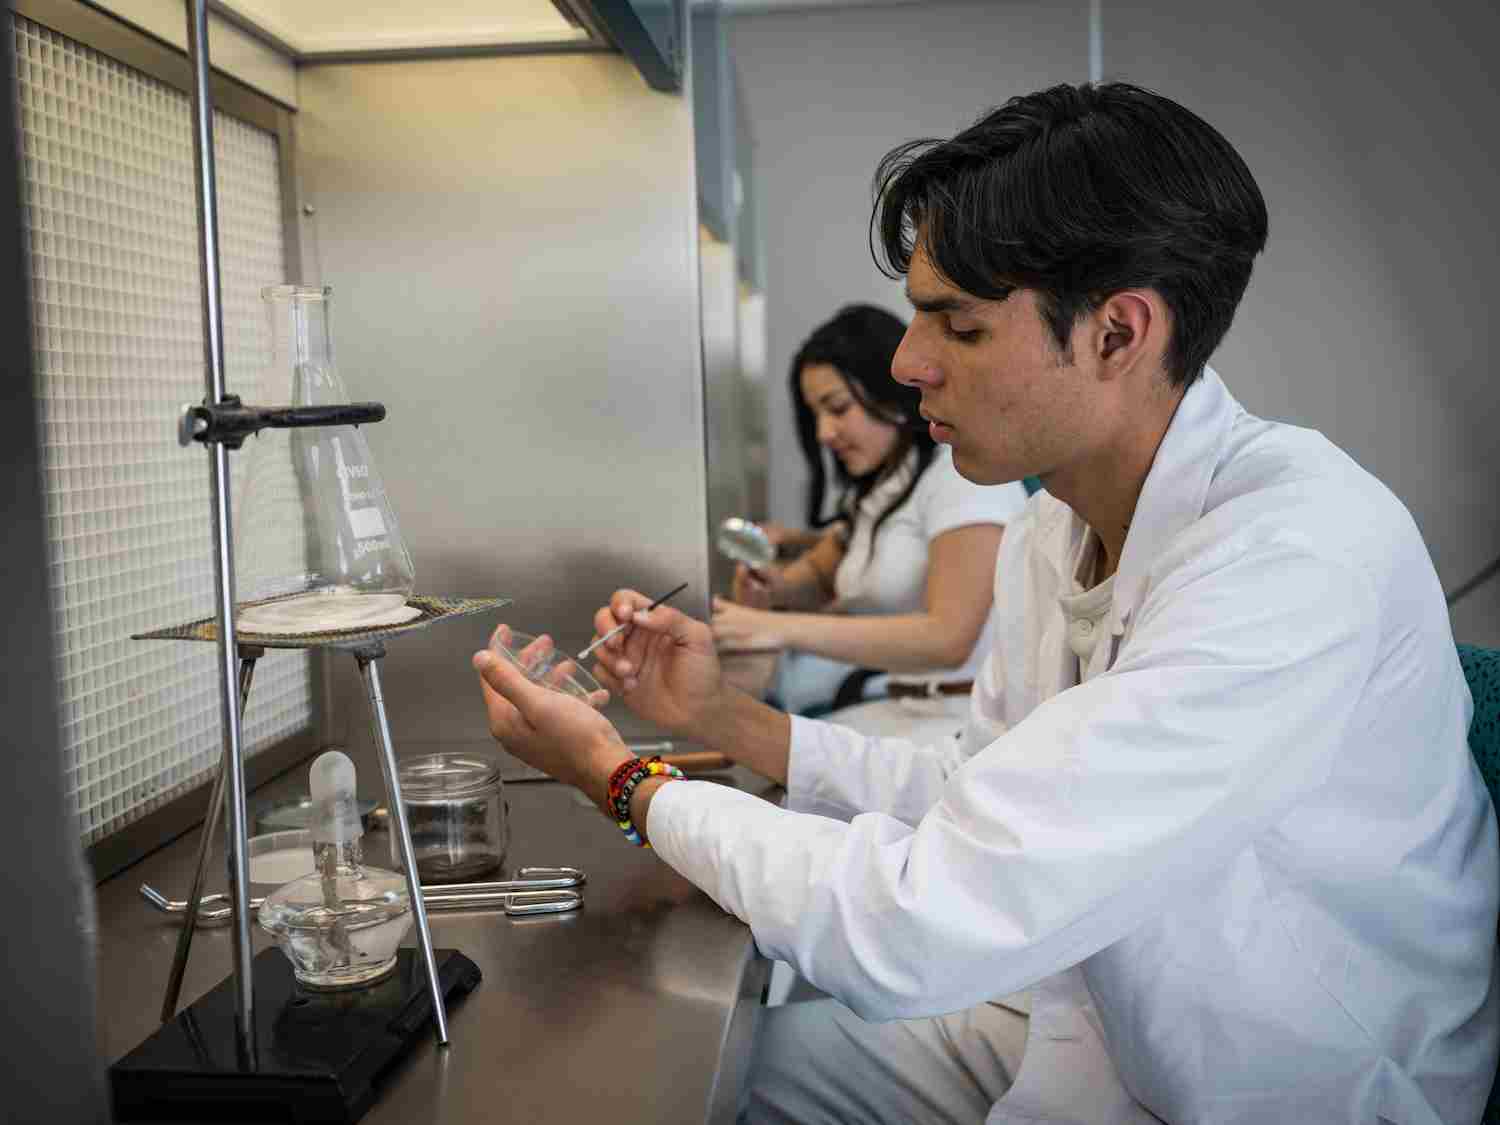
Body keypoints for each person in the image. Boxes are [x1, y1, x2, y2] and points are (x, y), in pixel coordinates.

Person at [473, 82, 1498, 1124]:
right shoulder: (1054, 524)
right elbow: (971, 790)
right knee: (721, 1081)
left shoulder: (1294, 558)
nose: (908, 363)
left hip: (1278, 1086)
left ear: (1117, 334)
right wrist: (717, 715)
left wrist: (622, 779)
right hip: (1095, 1020)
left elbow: (920, 921)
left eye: (957, 325)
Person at [713, 304, 1027, 739]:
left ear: (889, 398)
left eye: (838, 408)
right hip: (897, 712)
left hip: (954, 722)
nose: (824, 433)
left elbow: (947, 638)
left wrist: (771, 628)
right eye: (815, 414)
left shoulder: (960, 481)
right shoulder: (881, 492)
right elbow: (814, 578)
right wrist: (770, 587)